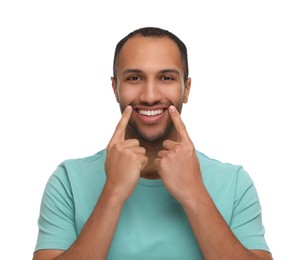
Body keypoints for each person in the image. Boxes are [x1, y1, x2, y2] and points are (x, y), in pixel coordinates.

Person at [33, 27, 272, 260]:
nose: (149, 96)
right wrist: (113, 193)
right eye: (134, 78)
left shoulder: (234, 182)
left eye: (166, 78)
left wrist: (194, 193)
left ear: (186, 89)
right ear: (115, 88)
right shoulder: (69, 180)